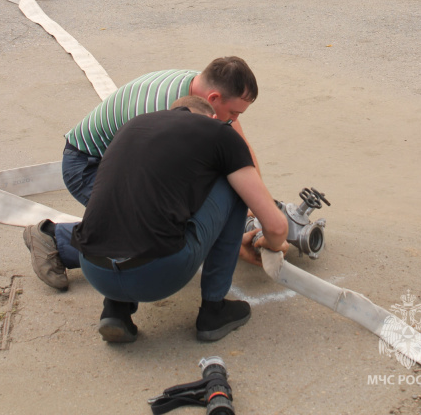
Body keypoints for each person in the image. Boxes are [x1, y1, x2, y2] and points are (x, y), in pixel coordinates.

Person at [23, 57, 261, 291]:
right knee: (145, 232)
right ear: (213, 99)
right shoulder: (163, 114)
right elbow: (168, 187)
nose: (234, 119)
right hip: (86, 166)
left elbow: (238, 147)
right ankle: (53, 238)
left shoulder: (203, 86)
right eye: (234, 113)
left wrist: (258, 205)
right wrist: (231, 241)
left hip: (120, 161)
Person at [72, 96, 288, 343]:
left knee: (133, 194)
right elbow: (276, 226)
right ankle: (213, 311)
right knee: (235, 184)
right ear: (212, 118)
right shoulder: (218, 131)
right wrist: (272, 242)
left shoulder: (134, 125)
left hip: (94, 268)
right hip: (158, 274)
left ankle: (116, 309)